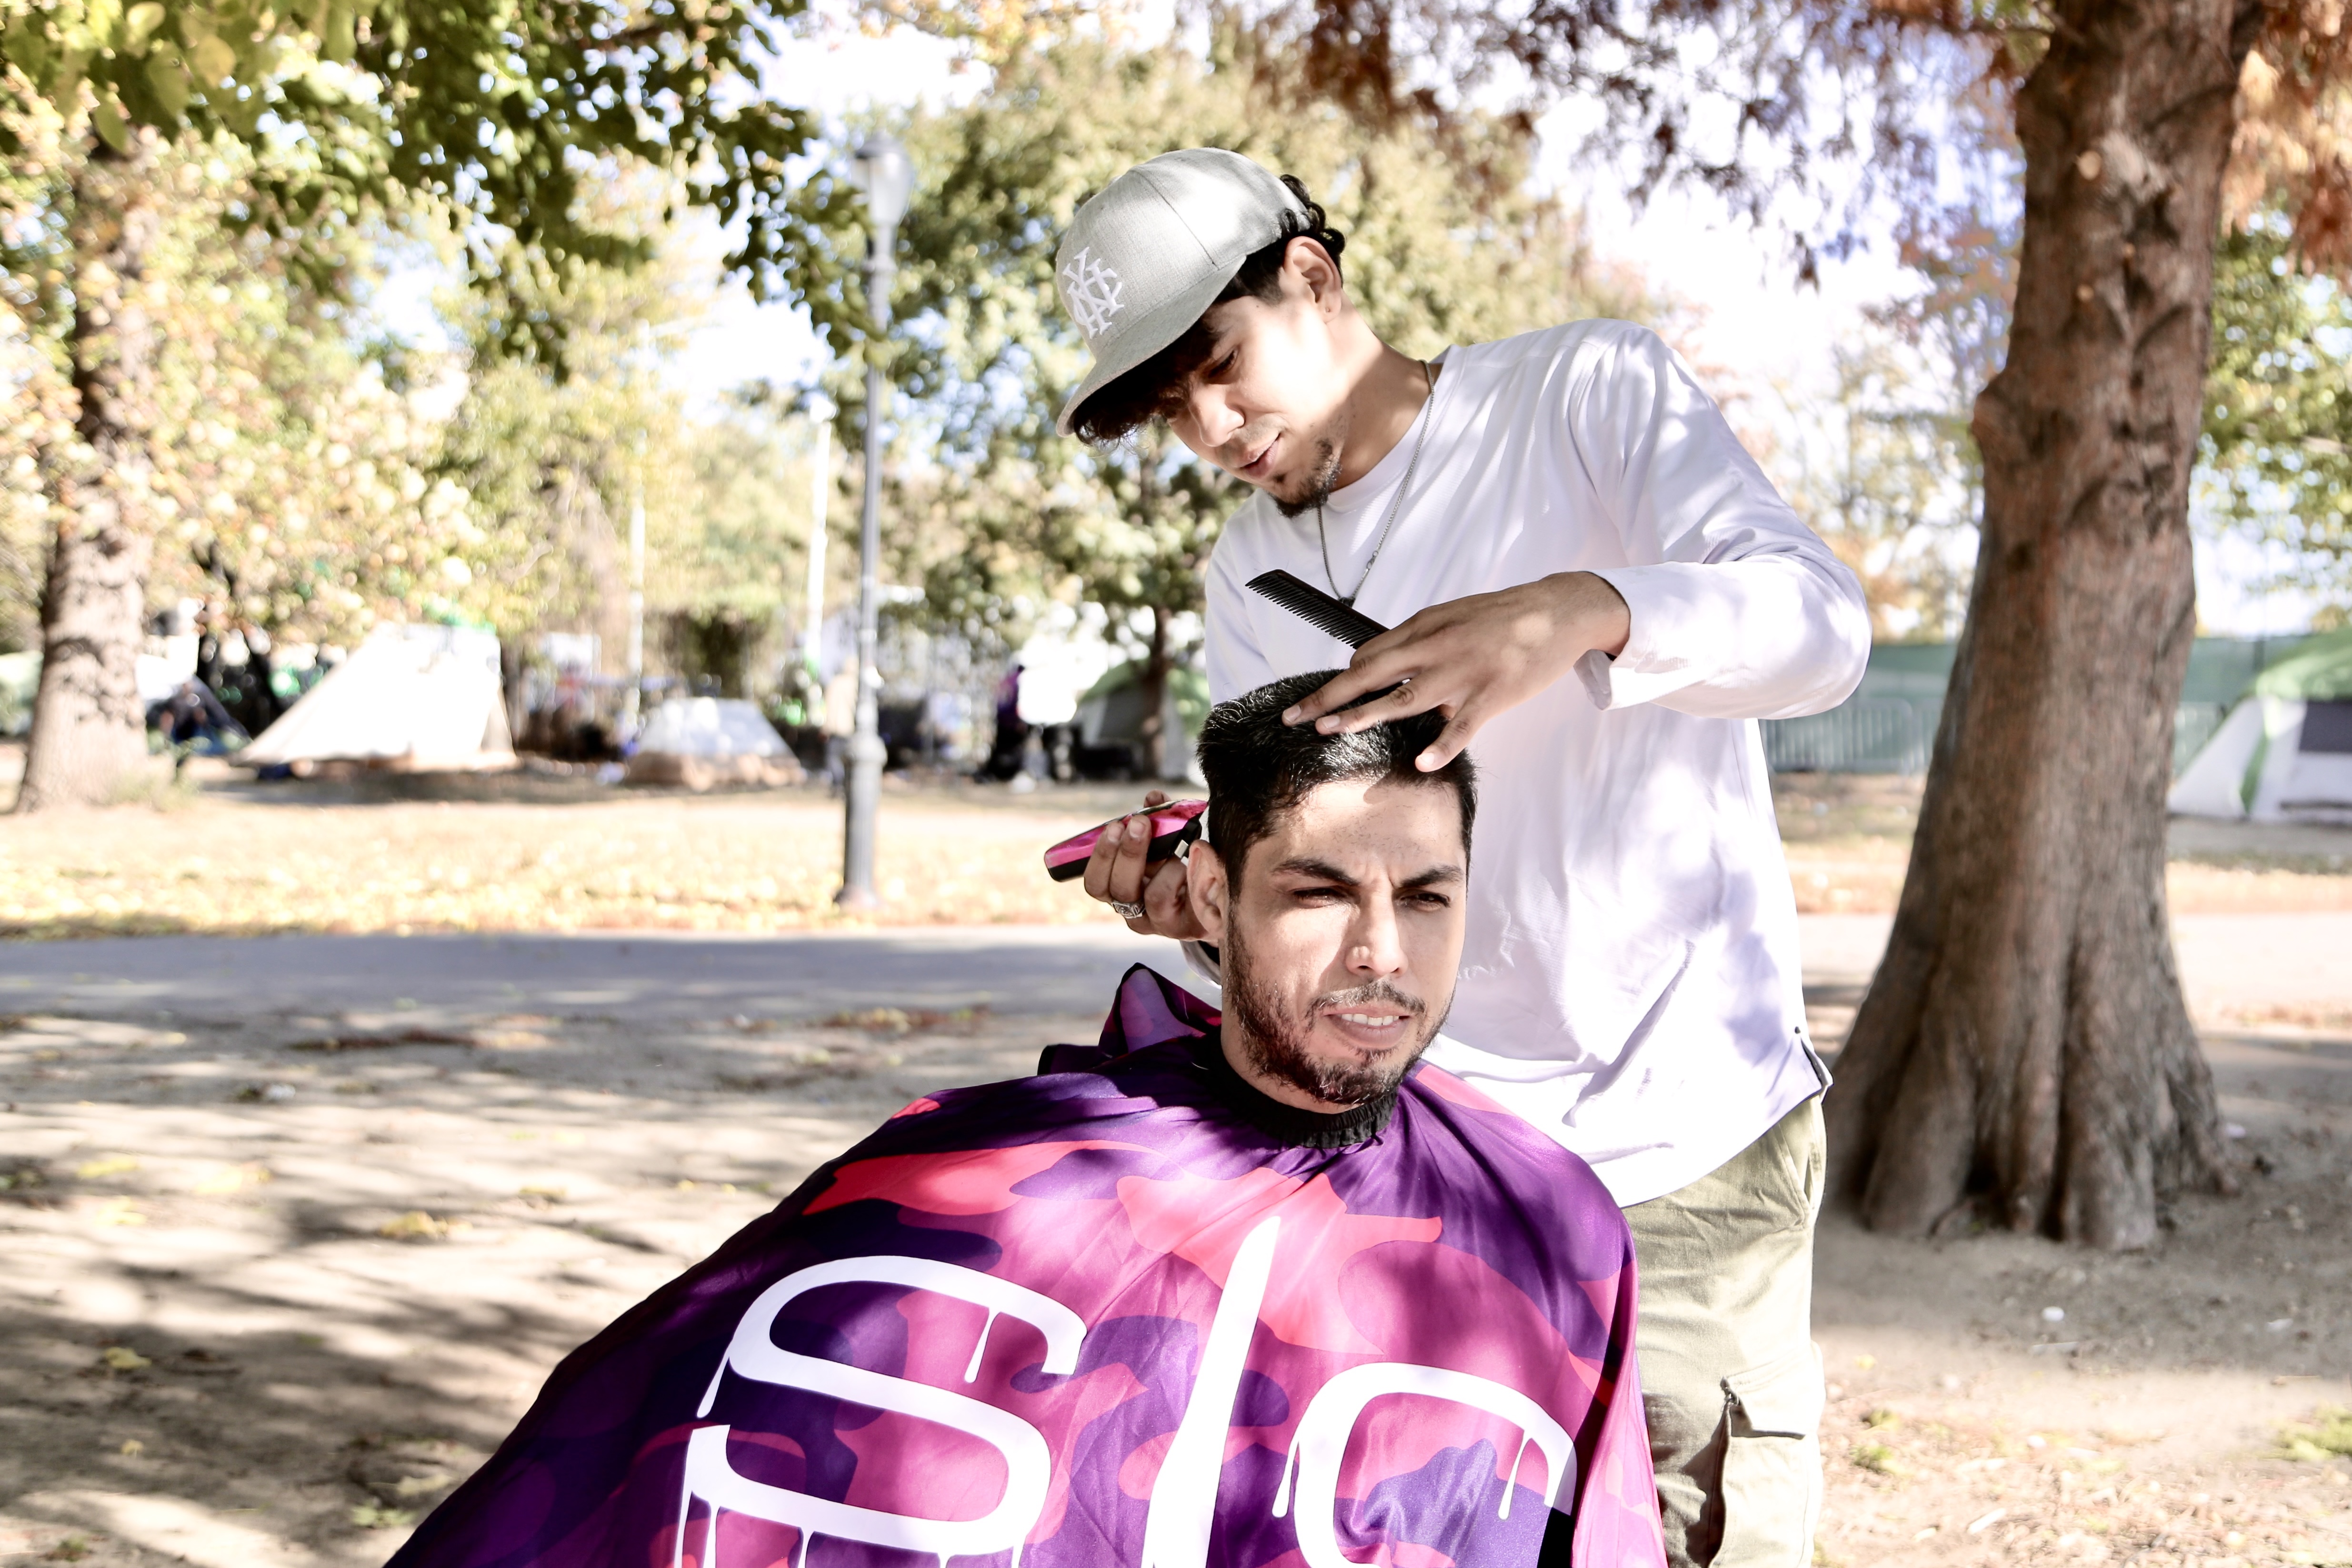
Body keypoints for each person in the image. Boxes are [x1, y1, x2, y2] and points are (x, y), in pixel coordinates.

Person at [1059, 148, 1871, 1567]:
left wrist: (1582, 609)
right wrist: (1207, 896)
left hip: (1676, 1140)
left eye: (1218, 365)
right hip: (1429, 1156)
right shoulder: (1246, 572)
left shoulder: (1582, 395)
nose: (1208, 427)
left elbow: (1822, 630)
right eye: (1166, 406)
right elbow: (1326, 859)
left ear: (1312, 277)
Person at [389, 679, 1664, 1568]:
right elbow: (650, 1453)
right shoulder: (968, 1182)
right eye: (1318, 895)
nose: (1382, 953)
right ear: (1209, 895)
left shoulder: (1547, 1227)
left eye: (1427, 899)